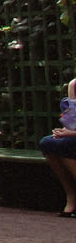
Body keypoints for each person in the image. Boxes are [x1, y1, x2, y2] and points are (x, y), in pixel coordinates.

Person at [42, 75, 76, 218]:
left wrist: (72, 133)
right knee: (48, 143)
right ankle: (71, 195)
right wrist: (66, 131)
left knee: (66, 145)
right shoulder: (74, 85)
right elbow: (73, 119)